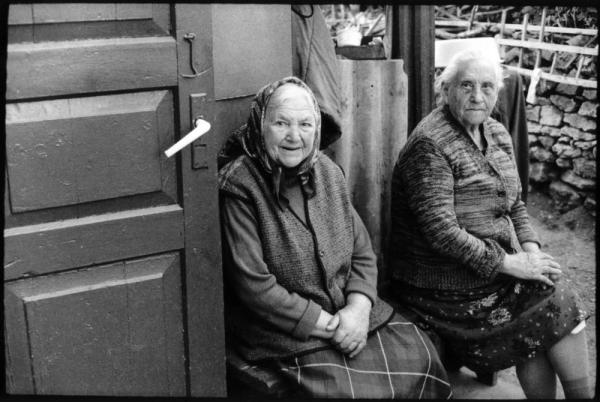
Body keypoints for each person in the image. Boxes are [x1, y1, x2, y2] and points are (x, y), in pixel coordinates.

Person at [218, 76, 451, 398]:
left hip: (347, 314)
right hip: (286, 332)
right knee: (355, 393)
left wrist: (357, 311)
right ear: (260, 126)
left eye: (305, 124)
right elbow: (254, 287)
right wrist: (333, 326)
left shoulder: (328, 172)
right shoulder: (240, 186)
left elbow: (362, 252)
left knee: (423, 358)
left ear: (317, 129)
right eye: (281, 123)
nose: (294, 136)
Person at [389, 49, 592, 399]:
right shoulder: (430, 145)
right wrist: (512, 263)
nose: (477, 96)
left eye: (487, 86)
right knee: (558, 302)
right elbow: (441, 232)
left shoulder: (496, 133)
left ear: (498, 93)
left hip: (491, 271)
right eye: (466, 85)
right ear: (445, 90)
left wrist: (531, 253)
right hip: (441, 282)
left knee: (548, 294)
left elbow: (514, 202)